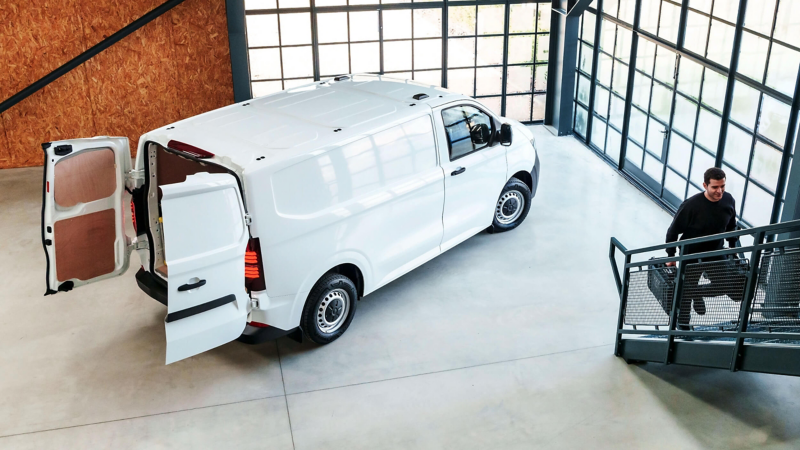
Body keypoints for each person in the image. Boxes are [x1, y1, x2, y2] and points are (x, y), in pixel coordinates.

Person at [664, 167, 738, 329]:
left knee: (724, 285)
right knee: (684, 293)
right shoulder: (691, 205)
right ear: (705, 185)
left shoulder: (729, 200)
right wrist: (671, 256)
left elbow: (731, 227)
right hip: (691, 253)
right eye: (715, 187)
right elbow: (673, 231)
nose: (720, 191)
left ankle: (696, 293)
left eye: (723, 186)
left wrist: (733, 248)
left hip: (715, 251)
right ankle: (683, 324)